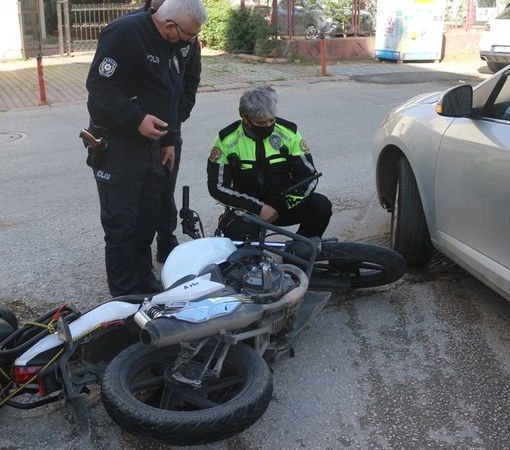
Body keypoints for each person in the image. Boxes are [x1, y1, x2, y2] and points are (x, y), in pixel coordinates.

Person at [85, 0, 207, 297]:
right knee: (121, 226)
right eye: (189, 36)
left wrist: (169, 139)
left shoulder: (171, 43)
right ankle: (125, 296)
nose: (191, 42)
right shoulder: (125, 33)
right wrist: (136, 119)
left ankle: (145, 282)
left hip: (154, 146)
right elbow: (99, 86)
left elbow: (169, 93)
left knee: (146, 221)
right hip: (119, 147)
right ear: (170, 26)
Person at [207, 86, 332, 240]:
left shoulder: (289, 134)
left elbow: (309, 177)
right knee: (238, 244)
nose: (268, 126)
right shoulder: (226, 140)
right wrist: (258, 208)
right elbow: (217, 187)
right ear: (244, 117)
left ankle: (300, 248)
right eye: (260, 123)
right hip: (248, 210)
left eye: (272, 120)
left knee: (321, 206)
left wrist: (286, 203)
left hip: (285, 205)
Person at [141, 0, 203, 263]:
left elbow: (190, 82)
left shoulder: (187, 36)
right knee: (141, 194)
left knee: (165, 188)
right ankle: (138, 253)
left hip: (170, 129)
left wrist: (175, 122)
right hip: (136, 130)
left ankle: (166, 240)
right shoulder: (135, 30)